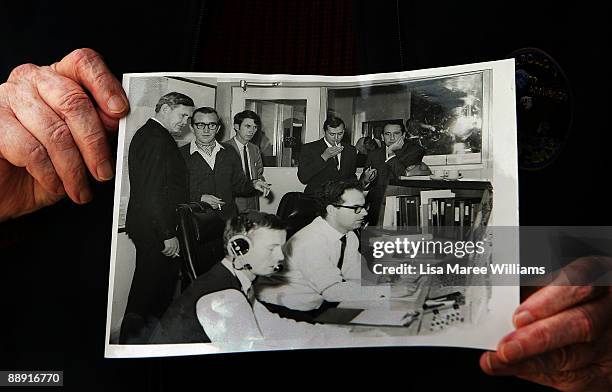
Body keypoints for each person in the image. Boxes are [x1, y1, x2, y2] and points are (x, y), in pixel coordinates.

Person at [1, 46, 611, 390]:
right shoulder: (242, 286)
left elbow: (317, 304)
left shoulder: (304, 253)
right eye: (353, 207)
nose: (363, 210)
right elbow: (308, 315)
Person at [149, 211, 348, 344]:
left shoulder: (238, 282)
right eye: (272, 248)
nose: (281, 256)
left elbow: (271, 324)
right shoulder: (225, 296)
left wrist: (335, 336)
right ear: (239, 248)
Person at [257, 180, 394, 320]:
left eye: (365, 207)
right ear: (332, 210)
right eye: (356, 208)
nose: (364, 213)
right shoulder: (310, 241)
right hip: (282, 311)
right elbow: (332, 291)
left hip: (314, 304)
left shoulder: (348, 235)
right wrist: (387, 291)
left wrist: (391, 282)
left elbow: (356, 273)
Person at [120, 92, 194, 343]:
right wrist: (167, 234)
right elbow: (153, 192)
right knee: (149, 291)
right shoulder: (155, 138)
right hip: (155, 230)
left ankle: (146, 341)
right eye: (182, 115)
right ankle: (134, 344)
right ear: (164, 108)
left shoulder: (154, 135)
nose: (185, 122)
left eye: (188, 116)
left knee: (152, 288)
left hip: (152, 226)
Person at [179, 107, 271, 221]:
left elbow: (239, 185)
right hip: (196, 221)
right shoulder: (180, 154)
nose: (206, 130)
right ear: (192, 128)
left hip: (227, 221)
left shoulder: (229, 151)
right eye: (200, 125)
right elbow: (173, 190)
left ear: (217, 128)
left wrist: (254, 184)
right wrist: (199, 198)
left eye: (212, 125)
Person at [363, 121, 425, 225]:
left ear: (404, 135)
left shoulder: (415, 151)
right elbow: (363, 182)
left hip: (402, 206)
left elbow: (403, 176)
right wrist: (365, 180)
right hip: (376, 209)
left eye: (396, 134)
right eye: (388, 134)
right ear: (382, 136)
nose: (392, 138)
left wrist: (391, 153)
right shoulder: (374, 154)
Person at [297, 115, 357, 194]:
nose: (336, 138)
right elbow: (303, 178)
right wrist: (324, 157)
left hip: (341, 199)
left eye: (340, 133)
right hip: (316, 198)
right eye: (332, 134)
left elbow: (351, 176)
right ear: (324, 132)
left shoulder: (350, 150)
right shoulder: (309, 148)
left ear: (344, 131)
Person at [222, 110, 267, 211]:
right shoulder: (224, 148)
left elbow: (259, 173)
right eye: (248, 126)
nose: (252, 131)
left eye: (255, 127)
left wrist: (262, 182)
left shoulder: (254, 149)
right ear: (237, 127)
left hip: (253, 199)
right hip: (234, 200)